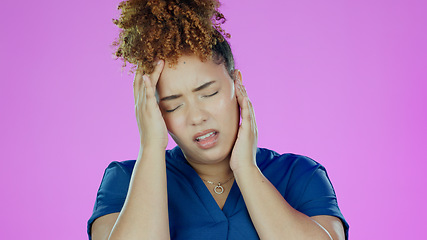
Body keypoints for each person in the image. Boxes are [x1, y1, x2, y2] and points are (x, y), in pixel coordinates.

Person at [87, 0, 349, 239]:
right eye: (173, 105)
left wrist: (245, 168)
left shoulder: (299, 175)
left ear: (237, 85)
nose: (197, 117)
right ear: (154, 111)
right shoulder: (125, 180)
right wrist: (151, 146)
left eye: (209, 93)